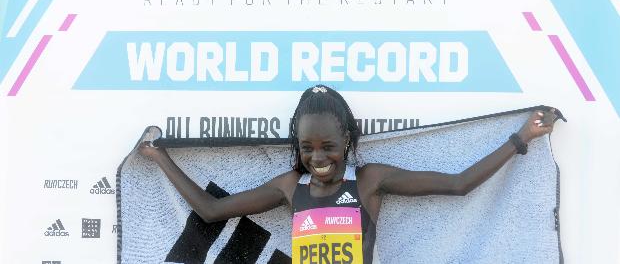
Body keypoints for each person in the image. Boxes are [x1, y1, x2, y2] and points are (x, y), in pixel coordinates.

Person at [138, 85, 557, 263]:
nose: (318, 158)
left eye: (328, 147)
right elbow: (212, 210)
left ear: (347, 143)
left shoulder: (369, 181)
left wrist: (521, 138)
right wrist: (160, 158)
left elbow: (458, 184)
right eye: (307, 148)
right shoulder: (291, 187)